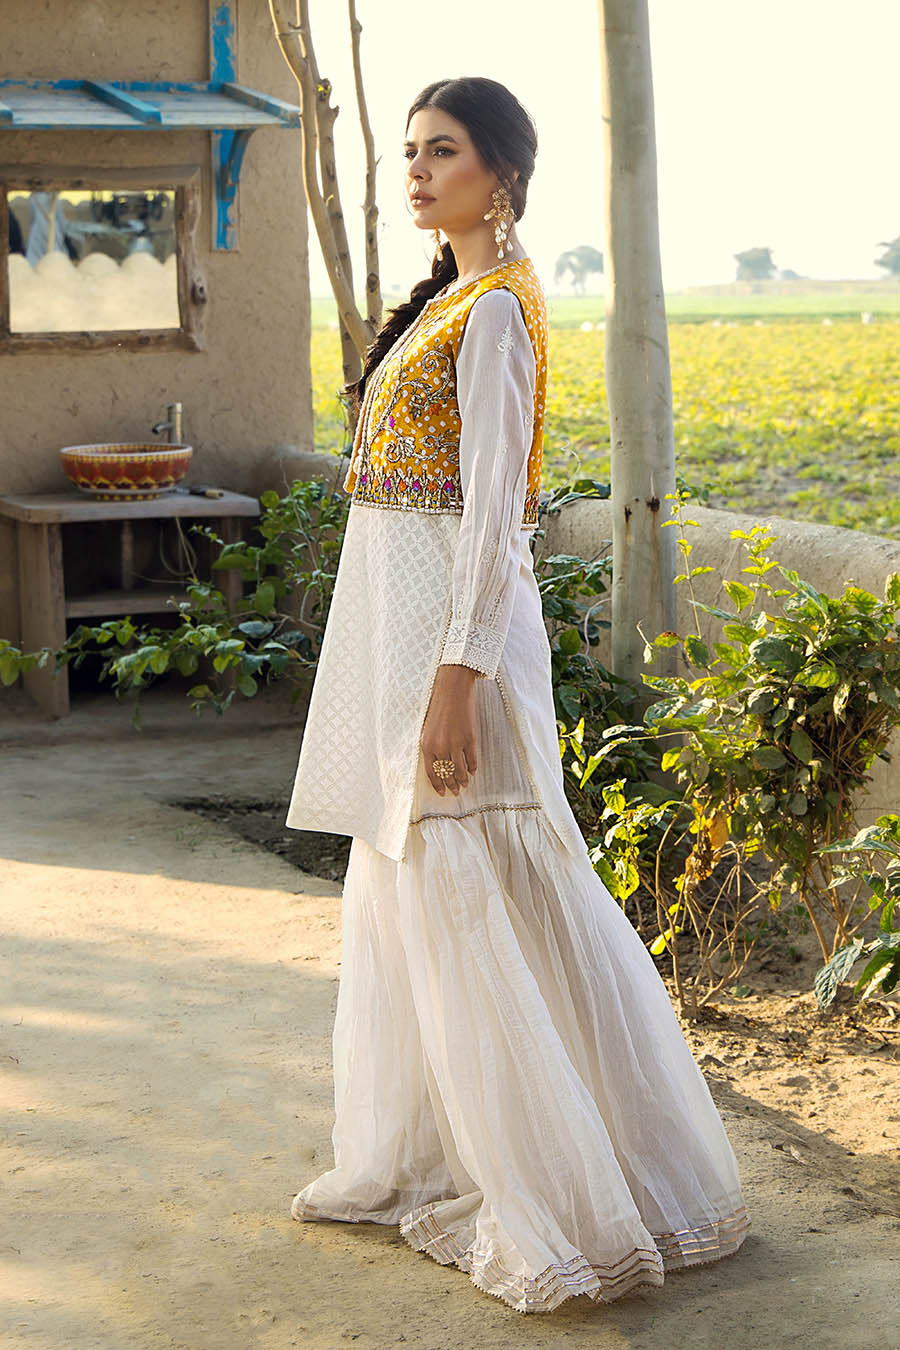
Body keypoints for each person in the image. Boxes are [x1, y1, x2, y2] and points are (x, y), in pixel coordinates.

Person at [285, 76, 749, 1314]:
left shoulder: (495, 314)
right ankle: (420, 1156)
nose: (417, 171)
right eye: (410, 151)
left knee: (483, 889)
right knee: (418, 887)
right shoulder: (452, 301)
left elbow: (495, 521)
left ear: (503, 172)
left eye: (443, 151)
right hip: (406, 638)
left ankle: (565, 1193)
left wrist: (457, 683)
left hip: (456, 650)